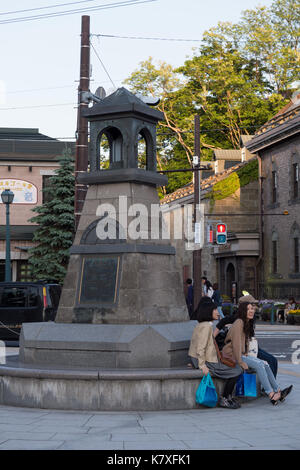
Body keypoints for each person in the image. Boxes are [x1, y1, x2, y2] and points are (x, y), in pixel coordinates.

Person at [221, 301, 293, 405]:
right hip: (232, 355)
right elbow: (236, 345)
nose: (252, 311)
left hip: (240, 354)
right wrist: (241, 362)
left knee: (265, 364)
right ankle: (271, 394)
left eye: (252, 309)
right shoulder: (239, 323)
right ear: (243, 311)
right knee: (260, 365)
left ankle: (278, 391)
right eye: (249, 309)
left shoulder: (245, 323)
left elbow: (244, 343)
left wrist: (245, 353)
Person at [188, 297, 243, 409]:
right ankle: (225, 398)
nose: (218, 312)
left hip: (204, 358)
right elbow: (200, 347)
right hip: (208, 361)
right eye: (215, 310)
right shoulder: (206, 327)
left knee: (235, 368)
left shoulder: (202, 324)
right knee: (237, 370)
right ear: (209, 311)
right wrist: (202, 365)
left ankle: (227, 397)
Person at [214, 294, 278, 378]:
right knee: (271, 360)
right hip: (246, 350)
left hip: (252, 346)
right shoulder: (239, 318)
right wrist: (212, 338)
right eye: (252, 305)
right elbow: (222, 322)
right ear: (245, 306)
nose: (254, 308)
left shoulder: (251, 316)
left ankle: (273, 388)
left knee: (272, 361)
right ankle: (271, 389)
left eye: (254, 306)